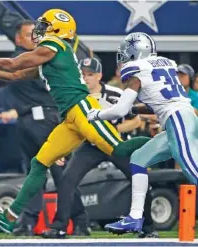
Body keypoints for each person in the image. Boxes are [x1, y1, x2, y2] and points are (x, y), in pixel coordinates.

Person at [0, 9, 150, 233]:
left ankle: (164, 143)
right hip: (69, 119)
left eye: (45, 25)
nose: (39, 29)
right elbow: (14, 76)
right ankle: (9, 216)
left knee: (119, 149)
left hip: (83, 110)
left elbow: (14, 64)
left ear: (57, 30)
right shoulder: (50, 55)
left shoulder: (55, 46)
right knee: (39, 163)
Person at [87, 32, 198, 233]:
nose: (124, 57)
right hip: (183, 119)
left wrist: (96, 114)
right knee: (138, 159)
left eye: (127, 52)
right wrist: (135, 109)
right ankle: (135, 217)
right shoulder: (164, 65)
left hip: (178, 121)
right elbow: (160, 102)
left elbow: (118, 110)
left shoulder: (136, 70)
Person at [0, 20, 88, 236]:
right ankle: (27, 222)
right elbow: (11, 70)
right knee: (34, 173)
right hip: (27, 121)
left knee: (61, 173)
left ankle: (79, 220)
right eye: (29, 34)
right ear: (18, 38)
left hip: (49, 119)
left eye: (37, 33)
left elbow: (13, 68)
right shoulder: (29, 55)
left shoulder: (49, 54)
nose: (35, 37)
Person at [41, 57, 157, 239]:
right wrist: (60, 151)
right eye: (83, 74)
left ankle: (148, 227)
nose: (86, 78)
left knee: (140, 178)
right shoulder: (73, 96)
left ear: (99, 76)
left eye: (90, 74)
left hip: (116, 144)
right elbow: (67, 127)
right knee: (67, 180)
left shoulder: (115, 94)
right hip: (89, 146)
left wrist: (109, 130)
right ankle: (59, 226)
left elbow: (135, 120)